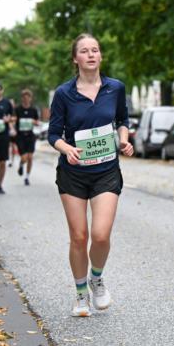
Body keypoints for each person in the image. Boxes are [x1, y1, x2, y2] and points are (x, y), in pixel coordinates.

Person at [48, 34, 133, 316]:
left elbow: (123, 121)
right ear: (76, 58)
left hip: (106, 171)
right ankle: (81, 294)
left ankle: (97, 278)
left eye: (95, 50)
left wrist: (123, 139)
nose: (91, 54)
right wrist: (66, 148)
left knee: (99, 235)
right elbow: (52, 134)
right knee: (79, 236)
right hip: (73, 173)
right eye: (84, 51)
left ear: (100, 56)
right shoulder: (64, 94)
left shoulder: (115, 88)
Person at [14, 88, 40, 186]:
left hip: (30, 135)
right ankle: (21, 165)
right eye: (24, 97)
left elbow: (37, 122)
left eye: (28, 97)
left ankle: (27, 177)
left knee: (30, 157)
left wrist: (34, 122)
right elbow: (13, 120)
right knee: (24, 157)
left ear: (30, 98)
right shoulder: (17, 109)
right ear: (22, 98)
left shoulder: (33, 110)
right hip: (20, 136)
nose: (26, 99)